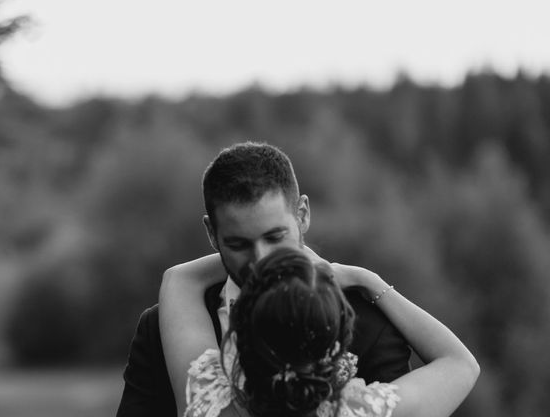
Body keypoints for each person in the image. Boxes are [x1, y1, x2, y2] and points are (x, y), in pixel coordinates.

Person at [116, 142, 411, 416]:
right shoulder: (160, 327)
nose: (261, 261)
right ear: (212, 234)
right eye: (239, 244)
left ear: (303, 214)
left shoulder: (372, 326)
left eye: (274, 237)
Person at [159, 248, 480, 417]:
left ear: (237, 334)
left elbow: (179, 280)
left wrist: (259, 253)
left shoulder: (205, 401)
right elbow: (460, 363)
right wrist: (368, 280)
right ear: (335, 349)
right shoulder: (362, 413)